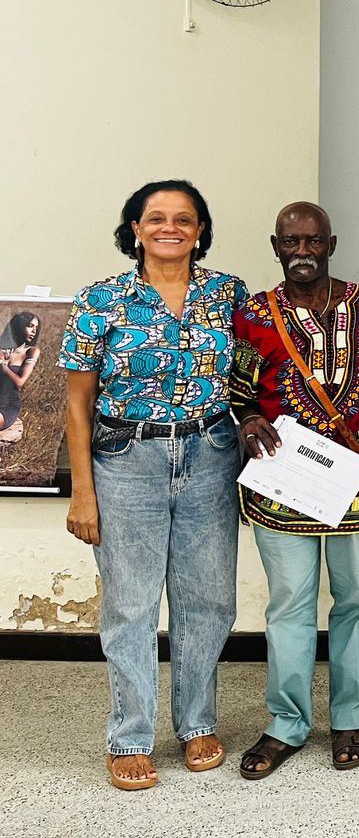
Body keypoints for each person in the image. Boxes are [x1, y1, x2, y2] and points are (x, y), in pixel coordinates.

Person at [59, 180, 248, 790]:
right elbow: (77, 405)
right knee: (130, 605)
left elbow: (251, 381)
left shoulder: (228, 294)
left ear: (200, 230)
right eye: (157, 218)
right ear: (135, 229)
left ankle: (197, 724)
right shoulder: (101, 299)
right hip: (126, 460)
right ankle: (130, 736)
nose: (171, 228)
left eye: (184, 219)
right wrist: (83, 492)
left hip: (211, 453)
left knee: (209, 600)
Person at [230, 202, 359, 778]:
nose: (302, 252)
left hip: (352, 478)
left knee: (356, 599)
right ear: (276, 246)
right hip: (282, 478)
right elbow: (238, 392)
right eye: (291, 241)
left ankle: (351, 718)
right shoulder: (253, 315)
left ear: (331, 244)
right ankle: (286, 723)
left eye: (313, 241)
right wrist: (246, 420)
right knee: (289, 604)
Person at [0, 310, 42, 435]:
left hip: (7, 406)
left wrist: (4, 367)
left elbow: (20, 382)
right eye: (30, 326)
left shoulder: (31, 351)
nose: (34, 331)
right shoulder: (1, 349)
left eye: (36, 327)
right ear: (19, 326)